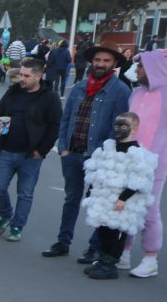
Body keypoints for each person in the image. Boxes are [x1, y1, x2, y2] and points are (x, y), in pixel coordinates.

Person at [42, 45, 132, 259]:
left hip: (99, 157)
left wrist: (105, 154)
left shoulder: (120, 90)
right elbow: (66, 119)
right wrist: (62, 147)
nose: (101, 64)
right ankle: (63, 242)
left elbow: (119, 128)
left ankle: (95, 247)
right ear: (92, 62)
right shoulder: (80, 87)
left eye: (107, 61)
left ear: (115, 64)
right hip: (72, 153)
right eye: (98, 60)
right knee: (71, 198)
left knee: (98, 202)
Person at [0, 58, 62, 242]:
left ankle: (17, 227)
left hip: (31, 154)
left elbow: (55, 126)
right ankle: (6, 215)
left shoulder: (49, 97)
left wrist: (41, 150)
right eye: (21, 74)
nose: (22, 78)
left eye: (26, 76)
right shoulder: (13, 92)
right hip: (6, 149)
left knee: (25, 193)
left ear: (38, 76)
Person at [79, 112, 159, 279]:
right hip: (102, 200)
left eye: (124, 126)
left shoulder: (137, 154)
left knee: (113, 232)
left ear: (134, 128)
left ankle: (110, 264)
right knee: (102, 230)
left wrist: (123, 198)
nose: (119, 129)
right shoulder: (108, 148)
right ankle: (102, 260)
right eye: (117, 125)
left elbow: (139, 179)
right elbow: (98, 170)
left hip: (120, 203)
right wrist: (91, 190)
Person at [122, 50, 167, 277]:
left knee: (149, 209)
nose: (137, 71)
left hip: (155, 162)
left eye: (141, 67)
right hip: (129, 159)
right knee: (126, 204)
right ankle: (125, 251)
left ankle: (151, 258)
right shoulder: (136, 93)